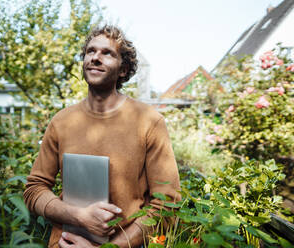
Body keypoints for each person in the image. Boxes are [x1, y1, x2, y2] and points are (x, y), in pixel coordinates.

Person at [24, 25, 181, 248]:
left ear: (123, 69)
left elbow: (168, 204)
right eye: (91, 51)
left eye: (107, 53)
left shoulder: (148, 122)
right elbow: (34, 189)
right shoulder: (61, 121)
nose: (96, 58)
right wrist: (78, 216)